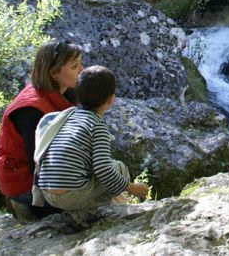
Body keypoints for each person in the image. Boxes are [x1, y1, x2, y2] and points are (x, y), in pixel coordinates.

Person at [37, 65, 150, 215]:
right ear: (111, 99)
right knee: (118, 167)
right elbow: (103, 170)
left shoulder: (68, 116)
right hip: (71, 196)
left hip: (47, 192)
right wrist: (132, 187)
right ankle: (117, 212)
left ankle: (88, 210)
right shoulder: (97, 125)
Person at [0, 39, 84, 221]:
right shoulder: (32, 109)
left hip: (48, 176)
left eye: (81, 63)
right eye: (75, 66)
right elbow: (39, 165)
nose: (82, 70)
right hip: (26, 188)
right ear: (54, 72)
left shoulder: (63, 94)